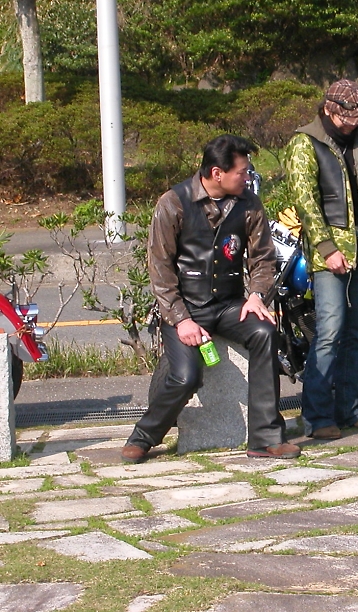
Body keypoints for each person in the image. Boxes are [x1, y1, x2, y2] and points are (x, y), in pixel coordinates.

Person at [121, 134, 300, 463]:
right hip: (185, 308)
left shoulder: (249, 203)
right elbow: (160, 269)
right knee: (186, 377)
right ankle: (143, 436)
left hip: (229, 304)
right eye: (242, 172)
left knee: (265, 333)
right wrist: (181, 319)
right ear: (217, 173)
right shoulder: (173, 203)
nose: (247, 177)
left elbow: (263, 258)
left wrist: (257, 296)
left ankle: (266, 438)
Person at [284, 79, 358, 440]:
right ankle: (318, 416)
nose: (352, 125)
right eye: (346, 119)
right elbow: (305, 201)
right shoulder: (304, 143)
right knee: (329, 331)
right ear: (328, 110)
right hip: (329, 249)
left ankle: (353, 409)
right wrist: (325, 247)